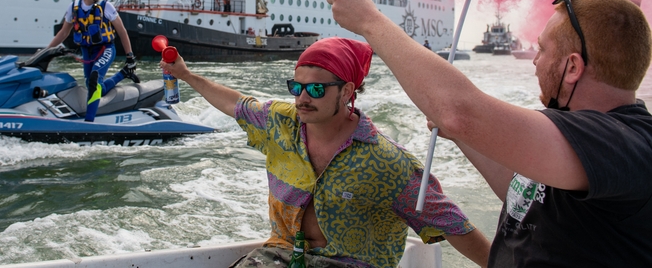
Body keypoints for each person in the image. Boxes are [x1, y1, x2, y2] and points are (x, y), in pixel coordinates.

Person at [325, 0, 652, 266]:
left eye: (542, 50)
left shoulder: (623, 143)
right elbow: (523, 194)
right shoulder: (594, 146)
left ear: (572, 67)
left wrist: (369, 20)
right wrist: (460, 134)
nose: (535, 62)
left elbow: (460, 110)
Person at [161, 37, 490, 268]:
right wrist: (187, 76)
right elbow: (235, 104)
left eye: (316, 89)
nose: (303, 98)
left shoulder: (388, 164)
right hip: (281, 256)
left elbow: (451, 223)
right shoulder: (280, 123)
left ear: (347, 91)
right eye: (297, 87)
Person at [47, 0, 137, 122]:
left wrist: (130, 56)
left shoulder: (106, 6)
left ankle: (89, 121)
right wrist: (46, 50)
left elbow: (121, 31)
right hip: (87, 52)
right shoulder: (74, 7)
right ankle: (123, 74)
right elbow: (63, 33)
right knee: (95, 88)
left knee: (94, 80)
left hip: (106, 49)